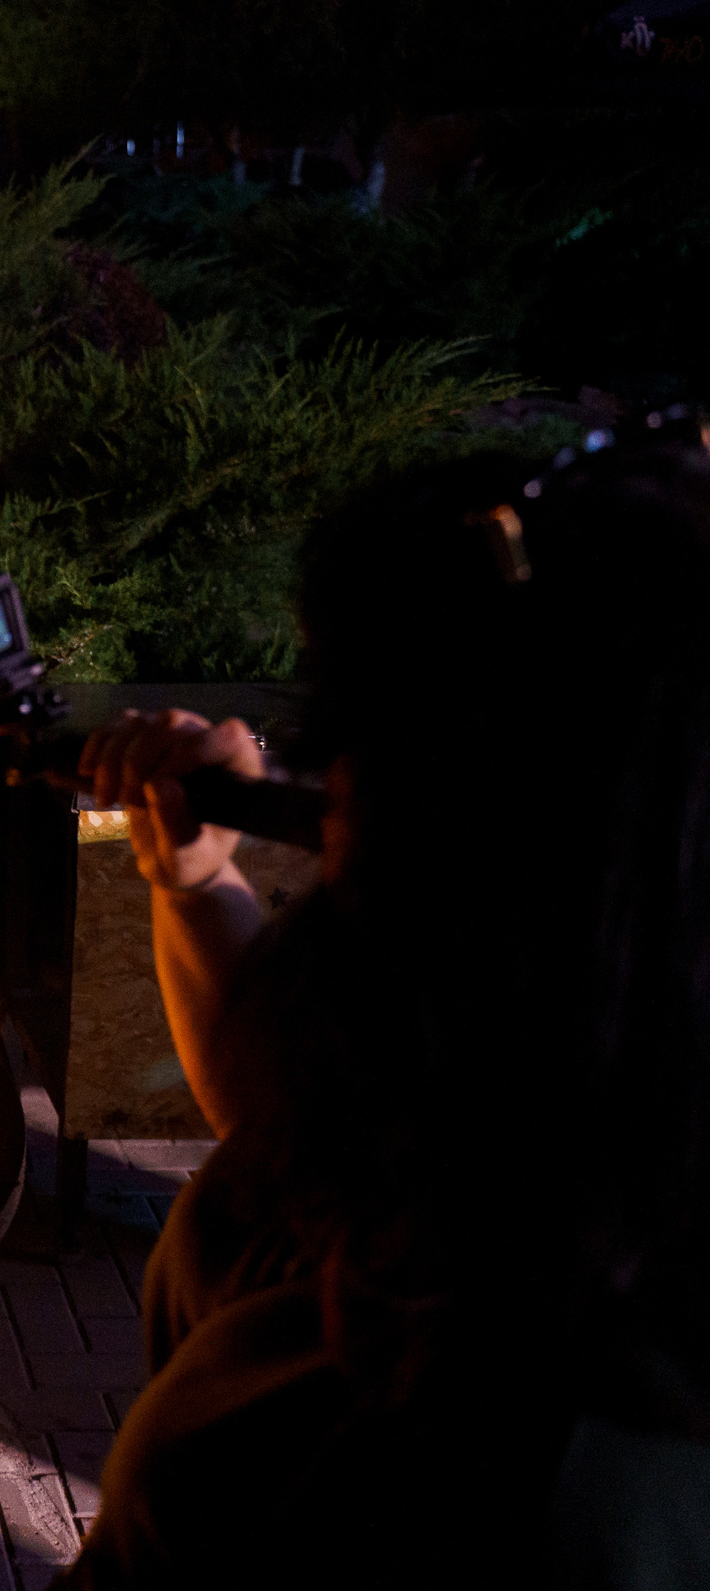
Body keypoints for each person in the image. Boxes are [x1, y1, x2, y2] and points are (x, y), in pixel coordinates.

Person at [58, 444, 710, 1588]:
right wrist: (197, 881)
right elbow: (298, 1140)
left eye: (355, 747)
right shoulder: (545, 1124)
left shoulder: (372, 1459)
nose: (323, 788)